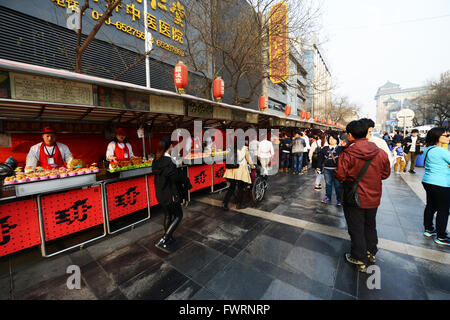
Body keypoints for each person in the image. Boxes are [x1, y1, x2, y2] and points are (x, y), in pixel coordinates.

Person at [335, 120, 391, 272]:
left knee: (356, 227)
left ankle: (359, 258)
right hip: (374, 196)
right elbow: (385, 174)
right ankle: (370, 252)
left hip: (354, 197)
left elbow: (340, 175)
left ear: (351, 135)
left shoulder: (348, 153)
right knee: (370, 225)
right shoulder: (381, 152)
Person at [152, 136, 186, 253]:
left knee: (167, 215)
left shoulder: (156, 160)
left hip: (160, 193)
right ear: (169, 147)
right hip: (170, 193)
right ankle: (164, 239)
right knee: (178, 215)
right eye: (172, 145)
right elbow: (175, 178)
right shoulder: (169, 161)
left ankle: (169, 237)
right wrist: (179, 168)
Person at [421, 127, 450, 246]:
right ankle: (441, 236)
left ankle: (428, 229)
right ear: (437, 137)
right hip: (441, 183)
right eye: (446, 135)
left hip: (428, 181)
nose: (449, 137)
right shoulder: (442, 151)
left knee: (431, 206)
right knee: (443, 210)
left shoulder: (428, 149)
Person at [222, 138, 255, 210]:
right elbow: (249, 159)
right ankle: (239, 205)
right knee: (241, 188)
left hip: (231, 171)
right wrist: (253, 166)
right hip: (240, 171)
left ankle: (224, 203)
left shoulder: (232, 148)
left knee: (231, 187)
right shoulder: (245, 148)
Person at [318, 133, 343, 205]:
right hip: (327, 169)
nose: (331, 140)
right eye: (330, 139)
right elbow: (320, 159)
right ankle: (328, 197)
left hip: (337, 170)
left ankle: (339, 199)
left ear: (337, 140)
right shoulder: (325, 148)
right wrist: (318, 167)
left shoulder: (340, 148)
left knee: (337, 185)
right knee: (328, 184)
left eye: (333, 139)